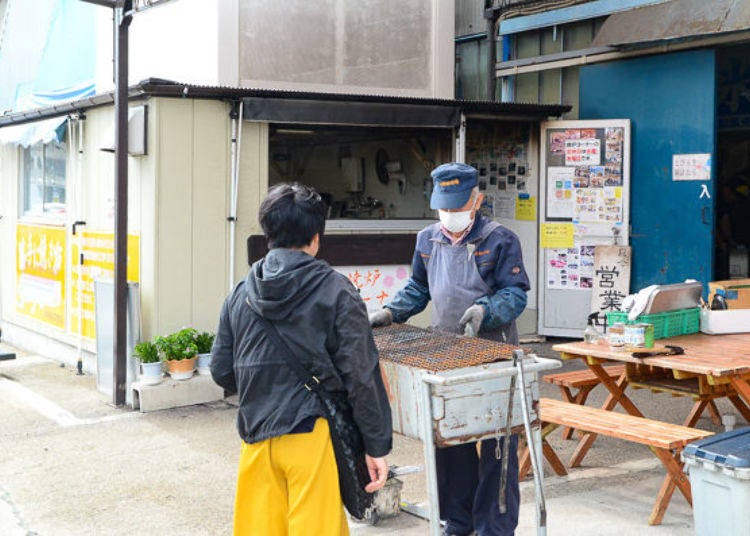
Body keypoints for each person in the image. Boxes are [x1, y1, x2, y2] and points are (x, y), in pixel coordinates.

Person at [211, 183, 393, 536]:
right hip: (311, 437)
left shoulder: (241, 291)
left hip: (256, 437)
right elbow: (361, 376)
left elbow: (221, 370)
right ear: (315, 237)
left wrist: (264, 390)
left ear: (268, 235)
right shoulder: (336, 291)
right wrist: (375, 446)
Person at [369, 162, 529, 536]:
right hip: (445, 354)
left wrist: (486, 311)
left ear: (478, 200)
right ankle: (458, 521)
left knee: (498, 449)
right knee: (448, 441)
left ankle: (495, 526)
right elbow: (418, 289)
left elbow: (515, 294)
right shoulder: (427, 240)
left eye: (458, 208)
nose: (451, 216)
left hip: (495, 354)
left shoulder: (500, 239)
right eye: (445, 208)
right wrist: (392, 311)